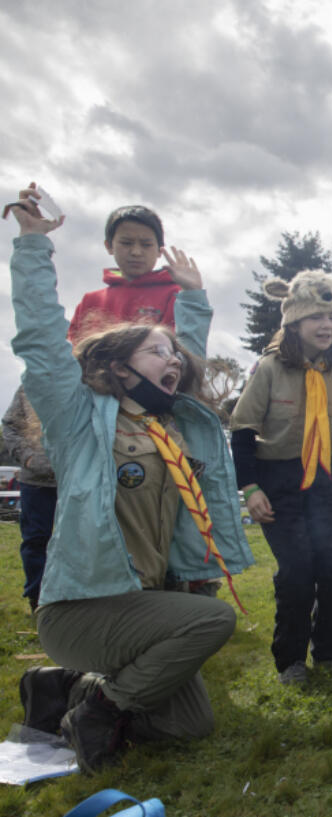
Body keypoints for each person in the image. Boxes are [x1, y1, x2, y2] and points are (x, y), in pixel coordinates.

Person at [8, 190, 254, 773]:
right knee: (215, 620)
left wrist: (192, 299)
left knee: (190, 725)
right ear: (117, 367)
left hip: (145, 605)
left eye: (173, 352)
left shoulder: (170, 423)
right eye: (155, 350)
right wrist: (33, 244)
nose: (172, 359)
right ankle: (99, 705)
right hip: (84, 607)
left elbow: (187, 355)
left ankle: (61, 689)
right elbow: (42, 343)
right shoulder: (79, 419)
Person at [229, 269, 332, 684]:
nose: (326, 325)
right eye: (315, 317)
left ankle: (331, 653)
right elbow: (242, 431)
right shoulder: (271, 367)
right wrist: (251, 488)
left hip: (324, 479)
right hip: (277, 479)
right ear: (293, 322)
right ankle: (290, 660)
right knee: (296, 571)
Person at [67, 203, 181, 343]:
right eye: (126, 243)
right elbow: (73, 351)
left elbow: (179, 350)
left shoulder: (177, 295)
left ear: (159, 250)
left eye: (146, 245)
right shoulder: (91, 301)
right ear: (109, 246)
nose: (136, 252)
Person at [3, 386, 56, 612]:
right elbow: (11, 425)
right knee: (36, 539)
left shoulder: (87, 381)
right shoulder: (29, 387)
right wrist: (28, 458)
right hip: (36, 481)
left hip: (78, 479)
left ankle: (78, 600)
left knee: (83, 539)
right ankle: (38, 599)